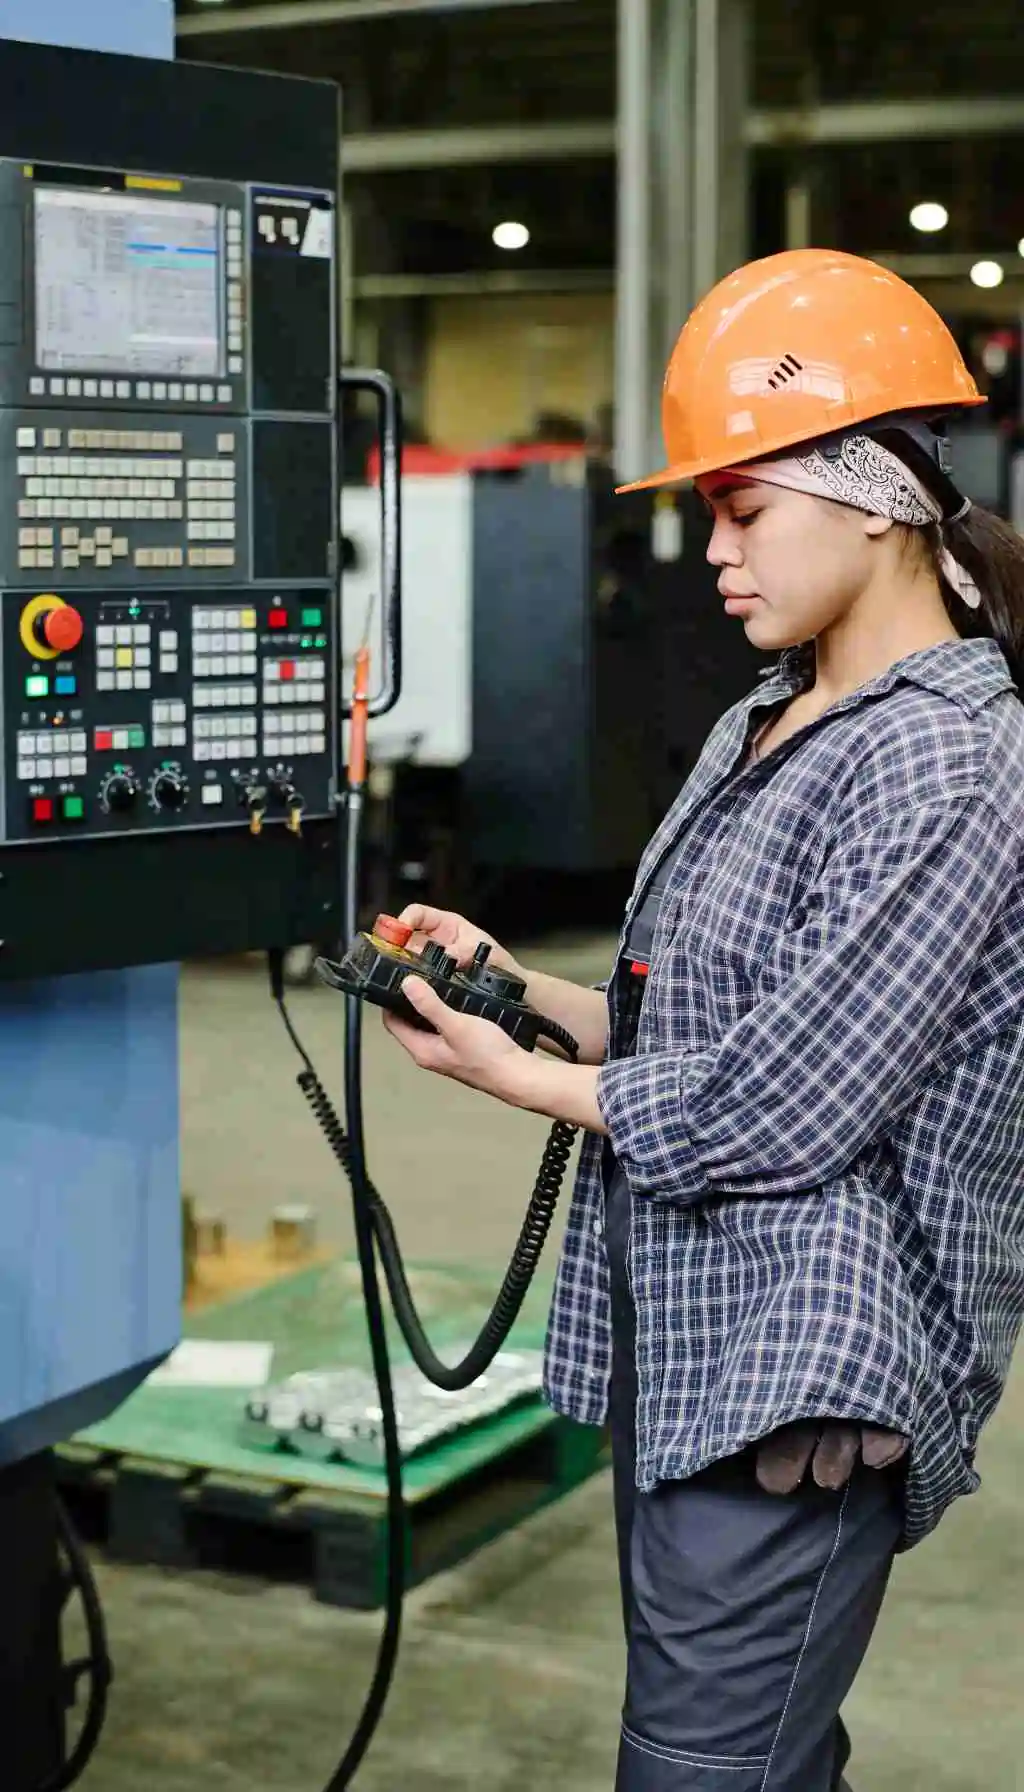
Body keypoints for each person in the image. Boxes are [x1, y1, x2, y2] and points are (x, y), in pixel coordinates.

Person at [378, 249, 1024, 1791]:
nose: (713, 553)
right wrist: (518, 993)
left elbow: (794, 1097)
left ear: (872, 491)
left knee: (699, 1773)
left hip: (804, 1390)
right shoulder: (769, 714)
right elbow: (702, 1015)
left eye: (741, 511)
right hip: (691, 1340)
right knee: (750, 1759)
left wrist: (515, 1085)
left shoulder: (948, 761)